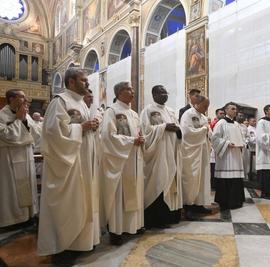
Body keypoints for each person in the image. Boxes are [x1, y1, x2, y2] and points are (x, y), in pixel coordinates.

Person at [38, 68, 101, 260]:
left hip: (84, 162)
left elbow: (82, 128)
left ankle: (81, 242)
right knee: (67, 204)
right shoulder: (60, 101)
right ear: (71, 82)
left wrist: (92, 127)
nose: (88, 85)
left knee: (84, 201)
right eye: (84, 81)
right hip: (67, 164)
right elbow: (52, 133)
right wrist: (81, 127)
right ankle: (63, 248)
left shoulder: (81, 103)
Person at [100, 82, 145, 245]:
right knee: (120, 195)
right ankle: (116, 230)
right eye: (128, 89)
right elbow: (108, 136)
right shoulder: (111, 111)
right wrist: (132, 141)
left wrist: (140, 139)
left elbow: (139, 133)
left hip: (134, 160)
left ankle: (134, 225)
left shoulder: (133, 113)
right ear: (119, 92)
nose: (133, 91)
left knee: (135, 192)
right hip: (119, 161)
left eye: (132, 89)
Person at [140, 85, 183, 229]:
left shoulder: (170, 111)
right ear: (154, 94)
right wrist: (163, 127)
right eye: (161, 92)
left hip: (171, 150)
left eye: (166, 92)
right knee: (158, 181)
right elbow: (145, 130)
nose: (165, 95)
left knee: (170, 183)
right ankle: (155, 219)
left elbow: (178, 127)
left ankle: (169, 216)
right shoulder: (148, 110)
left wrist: (177, 129)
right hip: (158, 154)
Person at [0, 89, 38, 228]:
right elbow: (5, 135)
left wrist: (23, 120)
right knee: (11, 190)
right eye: (22, 97)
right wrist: (19, 120)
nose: (25, 99)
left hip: (26, 157)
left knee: (28, 186)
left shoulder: (25, 115)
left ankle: (29, 216)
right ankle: (13, 219)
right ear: (11, 99)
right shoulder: (2, 115)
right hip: (9, 159)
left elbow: (36, 134)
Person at [180, 96, 212, 219]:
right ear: (197, 103)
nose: (206, 109)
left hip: (203, 151)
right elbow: (187, 132)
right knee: (191, 178)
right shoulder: (188, 115)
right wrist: (204, 129)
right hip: (191, 152)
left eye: (207, 106)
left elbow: (208, 132)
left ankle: (199, 204)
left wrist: (208, 131)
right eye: (204, 106)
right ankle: (189, 206)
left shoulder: (203, 117)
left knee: (203, 177)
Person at [211, 102, 245, 210]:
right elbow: (215, 139)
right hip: (226, 155)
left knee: (236, 179)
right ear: (226, 110)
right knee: (227, 178)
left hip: (236, 154)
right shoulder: (221, 123)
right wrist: (226, 144)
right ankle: (225, 202)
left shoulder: (236, 124)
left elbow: (242, 137)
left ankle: (236, 201)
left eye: (236, 109)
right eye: (233, 109)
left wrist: (243, 143)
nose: (235, 111)